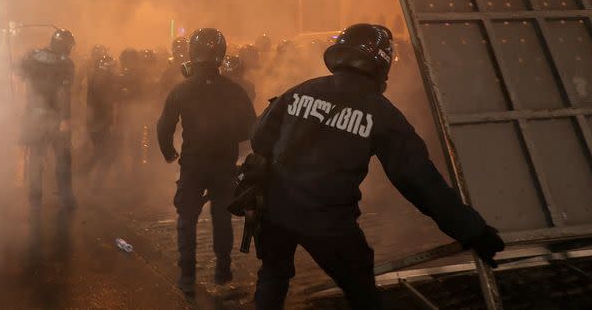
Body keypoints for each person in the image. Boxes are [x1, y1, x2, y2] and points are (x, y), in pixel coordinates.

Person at [248, 23, 504, 309]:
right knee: (361, 291)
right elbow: (419, 181)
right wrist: (472, 231)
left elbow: (259, 138)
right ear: (381, 62)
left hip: (273, 212)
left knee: (273, 275)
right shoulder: (382, 113)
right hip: (329, 223)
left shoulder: (301, 91)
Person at [157, 28, 257, 294]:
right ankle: (223, 270)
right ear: (221, 55)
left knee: (187, 218)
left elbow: (164, 126)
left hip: (192, 165)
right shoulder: (235, 90)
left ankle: (187, 274)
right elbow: (252, 127)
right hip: (224, 165)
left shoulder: (182, 89)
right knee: (222, 218)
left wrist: (169, 152)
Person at [19, 28, 77, 209]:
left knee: (36, 157)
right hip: (54, 116)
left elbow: (20, 74)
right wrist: (66, 118)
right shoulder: (65, 63)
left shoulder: (33, 56)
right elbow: (63, 93)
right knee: (63, 157)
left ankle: (35, 199)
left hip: (33, 115)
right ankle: (65, 197)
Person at [85, 53, 119, 191]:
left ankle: (84, 177)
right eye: (112, 67)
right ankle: (95, 185)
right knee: (107, 154)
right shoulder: (101, 80)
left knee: (101, 153)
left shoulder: (99, 78)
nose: (114, 70)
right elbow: (106, 102)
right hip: (99, 123)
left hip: (98, 122)